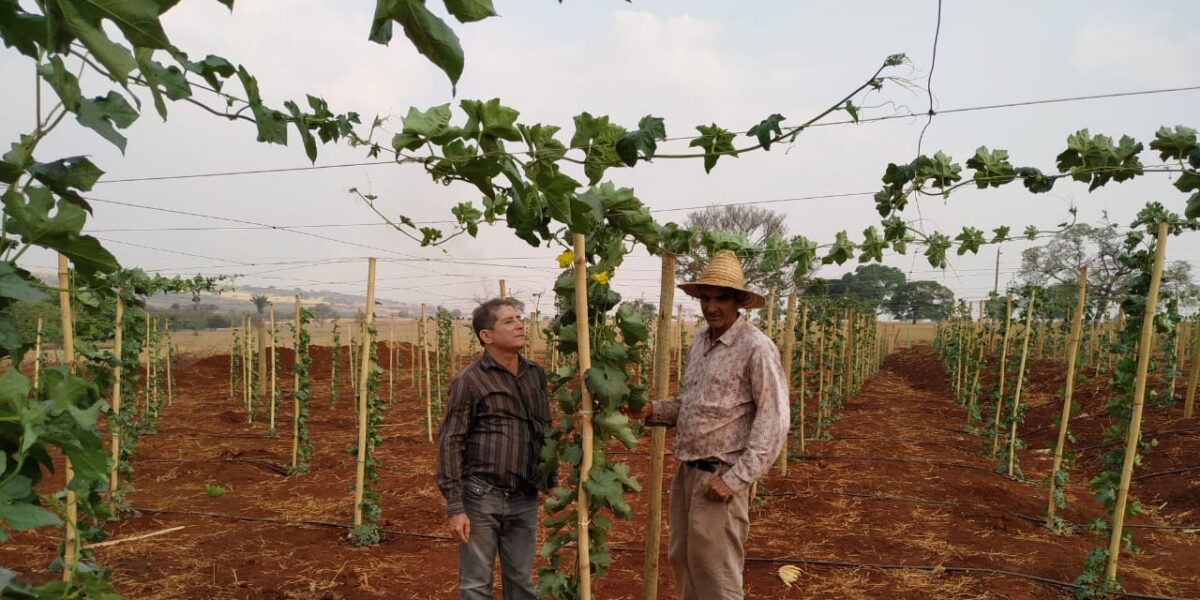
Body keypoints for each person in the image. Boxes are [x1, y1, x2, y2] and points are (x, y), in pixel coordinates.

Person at [628, 249, 790, 600]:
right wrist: (652, 409)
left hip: (721, 475)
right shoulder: (701, 341)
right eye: (706, 298)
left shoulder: (756, 347)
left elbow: (774, 419)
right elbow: (692, 406)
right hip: (687, 473)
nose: (711, 307)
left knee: (716, 577)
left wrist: (737, 479)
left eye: (721, 299)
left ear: (739, 301)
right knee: (684, 562)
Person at [437, 297, 555, 600]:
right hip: (481, 496)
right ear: (486, 336)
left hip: (524, 495)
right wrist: (455, 506)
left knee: (521, 580)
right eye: (509, 320)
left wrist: (550, 480)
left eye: (519, 318)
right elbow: (451, 441)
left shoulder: (535, 374)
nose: (519, 325)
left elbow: (544, 427)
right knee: (476, 584)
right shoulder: (469, 380)